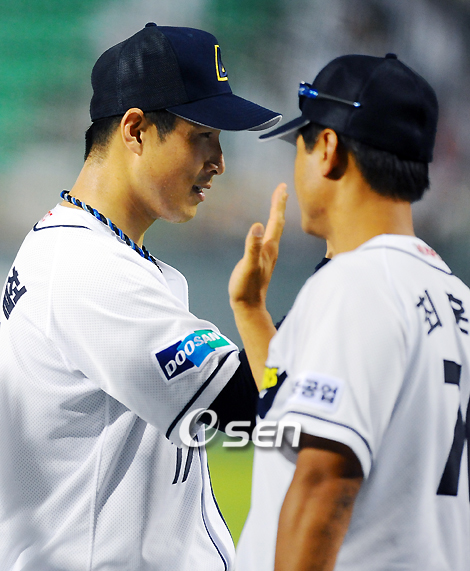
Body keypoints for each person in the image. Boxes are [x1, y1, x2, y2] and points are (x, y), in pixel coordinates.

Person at [0, 23, 282, 570]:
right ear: (135, 130)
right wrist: (342, 285)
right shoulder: (86, 268)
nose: (219, 161)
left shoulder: (87, 251)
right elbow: (241, 405)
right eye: (203, 136)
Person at [228, 53, 470, 570]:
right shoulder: (454, 297)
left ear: (328, 148)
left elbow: (324, 484)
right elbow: (294, 402)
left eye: (300, 145)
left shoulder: (357, 284)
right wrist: (251, 311)